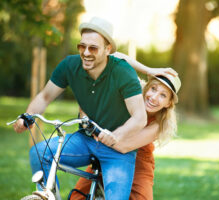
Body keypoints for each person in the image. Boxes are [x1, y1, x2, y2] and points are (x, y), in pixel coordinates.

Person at [13, 17, 148, 200]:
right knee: (39, 153)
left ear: (108, 50)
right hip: (84, 140)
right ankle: (47, 196)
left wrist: (116, 135)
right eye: (81, 46)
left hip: (118, 147)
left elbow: (140, 117)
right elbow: (45, 96)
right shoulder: (70, 65)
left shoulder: (123, 72)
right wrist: (27, 116)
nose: (85, 53)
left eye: (93, 48)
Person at [71, 73, 181, 200]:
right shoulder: (131, 94)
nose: (154, 97)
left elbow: (124, 146)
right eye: (153, 89)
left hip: (139, 160)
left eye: (163, 95)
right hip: (108, 150)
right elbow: (111, 58)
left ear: (168, 103)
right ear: (147, 87)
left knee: (141, 197)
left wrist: (97, 132)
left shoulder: (159, 123)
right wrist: (148, 70)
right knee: (77, 196)